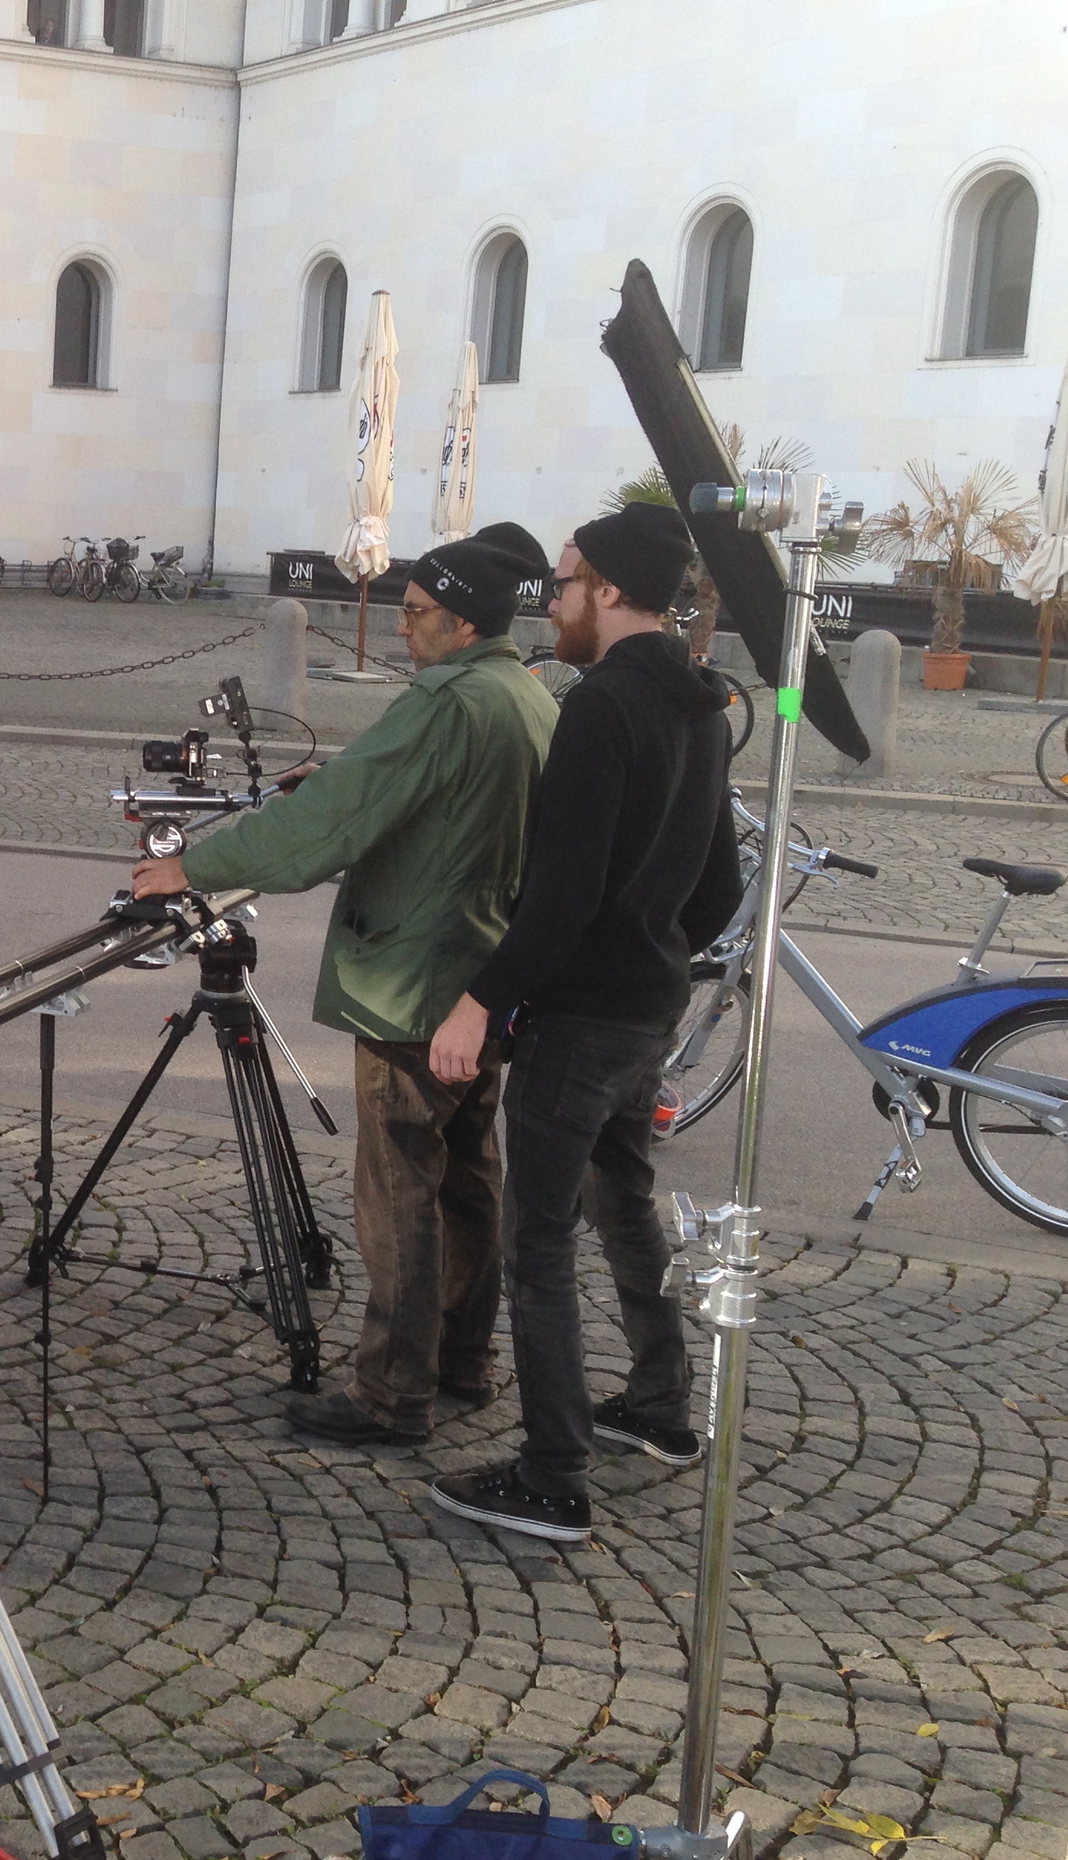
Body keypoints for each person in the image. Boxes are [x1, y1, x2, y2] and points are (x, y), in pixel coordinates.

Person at [131, 524, 558, 1447]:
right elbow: (414, 797)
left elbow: (331, 823)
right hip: (481, 973)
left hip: (414, 979)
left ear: (463, 620)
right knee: (470, 1179)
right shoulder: (524, 696)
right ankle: (462, 1360)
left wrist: (194, 868)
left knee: (400, 1190)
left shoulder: (448, 703)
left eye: (415, 614)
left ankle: (392, 1392)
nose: (402, 629)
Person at [425, 501, 743, 1543]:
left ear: (606, 589)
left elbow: (555, 899)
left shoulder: (601, 707)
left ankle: (552, 1471)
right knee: (626, 1205)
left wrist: (481, 999)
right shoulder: (701, 704)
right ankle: (658, 1404)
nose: (549, 602)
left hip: (584, 1017)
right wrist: (653, 946)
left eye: (561, 584)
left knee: (539, 1242)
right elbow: (716, 889)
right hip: (648, 1006)